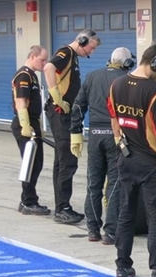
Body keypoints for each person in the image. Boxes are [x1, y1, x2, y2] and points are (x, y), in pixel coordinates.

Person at [108, 45, 156, 277]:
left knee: (125, 213)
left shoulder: (116, 85)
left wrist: (122, 145)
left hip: (125, 159)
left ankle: (122, 267)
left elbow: (115, 122)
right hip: (151, 163)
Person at [69, 47, 134, 244]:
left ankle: (93, 230)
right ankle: (111, 232)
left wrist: (76, 133)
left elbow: (78, 106)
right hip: (117, 135)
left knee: (93, 184)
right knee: (114, 184)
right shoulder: (127, 80)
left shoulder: (91, 77)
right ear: (127, 64)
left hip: (95, 135)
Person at [43, 29, 100, 224]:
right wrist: (57, 97)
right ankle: (62, 208)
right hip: (60, 113)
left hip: (64, 113)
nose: (90, 53)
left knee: (62, 160)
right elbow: (48, 68)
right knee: (67, 160)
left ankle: (62, 206)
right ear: (83, 40)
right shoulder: (66, 53)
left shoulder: (73, 57)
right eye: (90, 47)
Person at [11, 45, 51, 216]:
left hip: (32, 122)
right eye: (42, 59)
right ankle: (29, 202)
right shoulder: (24, 75)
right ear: (33, 56)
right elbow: (21, 101)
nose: (45, 63)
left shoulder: (32, 76)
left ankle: (26, 200)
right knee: (31, 164)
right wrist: (25, 125)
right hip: (24, 123)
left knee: (36, 163)